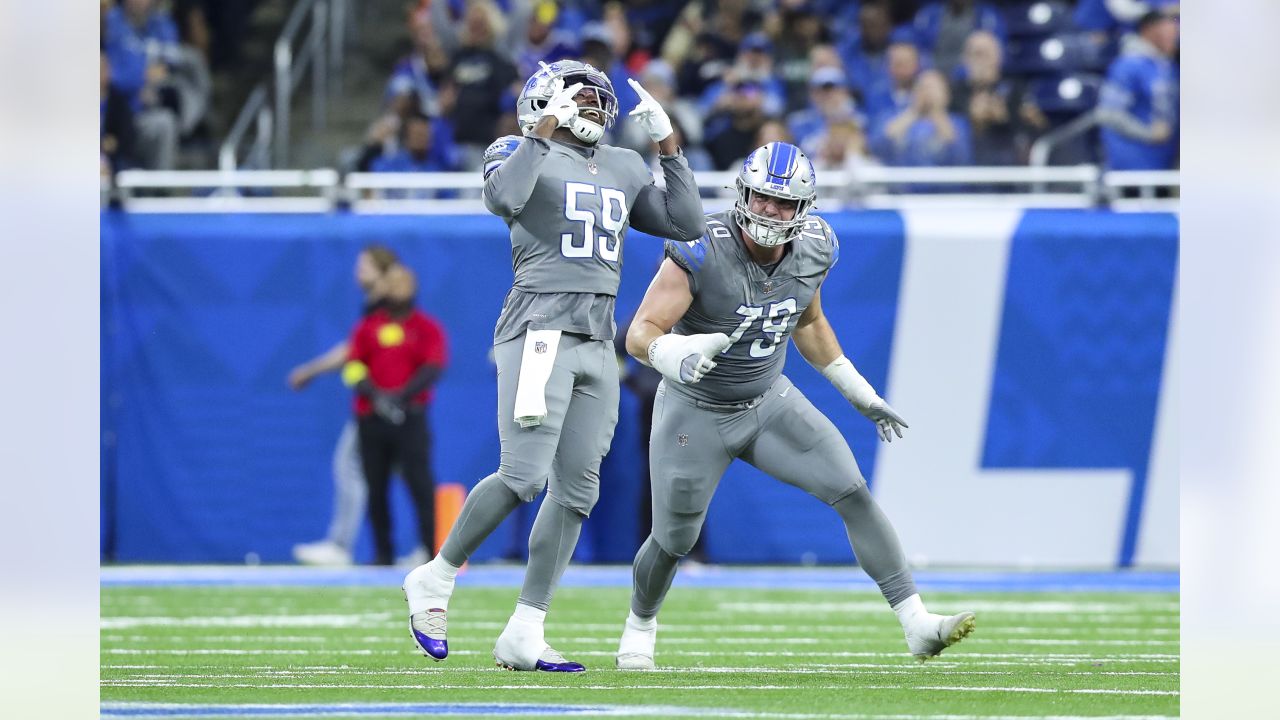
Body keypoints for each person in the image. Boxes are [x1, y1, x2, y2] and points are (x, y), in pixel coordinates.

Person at [612, 141, 976, 670]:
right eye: (761, 198)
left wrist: (856, 390)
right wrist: (673, 354)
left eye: (783, 203)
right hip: (696, 407)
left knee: (851, 491)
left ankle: (916, 623)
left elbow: (808, 321)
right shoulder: (701, 245)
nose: (769, 211)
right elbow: (640, 333)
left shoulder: (815, 247)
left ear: (804, 209)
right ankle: (639, 627)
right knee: (673, 539)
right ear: (743, 194)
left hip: (767, 399)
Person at [401, 59, 704, 673]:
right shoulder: (517, 148)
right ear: (544, 101)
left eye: (599, 101)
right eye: (581, 100)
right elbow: (502, 198)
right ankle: (434, 578)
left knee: (577, 491)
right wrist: (540, 134)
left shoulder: (622, 163)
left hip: (598, 338)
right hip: (538, 328)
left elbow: (687, 225)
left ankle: (525, 629)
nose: (594, 109)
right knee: (523, 476)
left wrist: (670, 148)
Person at [288, 246, 400, 566]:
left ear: (382, 271)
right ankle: (423, 546)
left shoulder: (388, 307)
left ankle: (341, 544)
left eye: (364, 266)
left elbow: (352, 351)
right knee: (389, 473)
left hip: (386, 403)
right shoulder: (376, 307)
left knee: (356, 466)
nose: (357, 272)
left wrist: (310, 370)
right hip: (383, 403)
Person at [345, 266, 449, 567]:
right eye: (391, 284)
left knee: (420, 484)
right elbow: (353, 366)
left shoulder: (426, 327)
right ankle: (383, 552)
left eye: (403, 284)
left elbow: (433, 366)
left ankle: (432, 552)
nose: (397, 290)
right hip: (372, 418)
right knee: (375, 486)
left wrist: (401, 398)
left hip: (411, 417)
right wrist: (376, 397)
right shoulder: (368, 327)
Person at [1097, 10, 1179, 170]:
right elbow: (1108, 114)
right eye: (1170, 28)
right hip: (1133, 163)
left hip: (1162, 161)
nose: (1176, 35)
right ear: (1149, 29)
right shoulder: (1128, 65)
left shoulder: (1168, 66)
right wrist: (1148, 134)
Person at [871, 70, 973, 168]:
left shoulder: (958, 122)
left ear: (946, 94)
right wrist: (913, 112)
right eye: (922, 87)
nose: (927, 92)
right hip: (901, 184)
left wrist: (936, 113)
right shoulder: (891, 117)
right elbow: (877, 148)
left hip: (943, 184)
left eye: (933, 88)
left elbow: (962, 157)